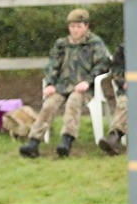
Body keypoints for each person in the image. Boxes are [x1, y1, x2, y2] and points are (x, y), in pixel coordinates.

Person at [18, 8, 110, 159]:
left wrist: (87, 81)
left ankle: (67, 139)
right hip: (62, 86)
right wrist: (49, 83)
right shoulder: (62, 44)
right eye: (72, 26)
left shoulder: (94, 43)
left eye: (79, 26)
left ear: (86, 26)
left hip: (83, 88)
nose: (75, 30)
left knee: (73, 103)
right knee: (48, 105)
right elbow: (52, 65)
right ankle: (34, 142)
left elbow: (103, 64)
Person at [99, 45, 127, 155]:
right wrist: (123, 82)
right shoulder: (123, 48)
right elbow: (116, 70)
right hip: (128, 89)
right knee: (125, 103)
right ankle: (113, 139)